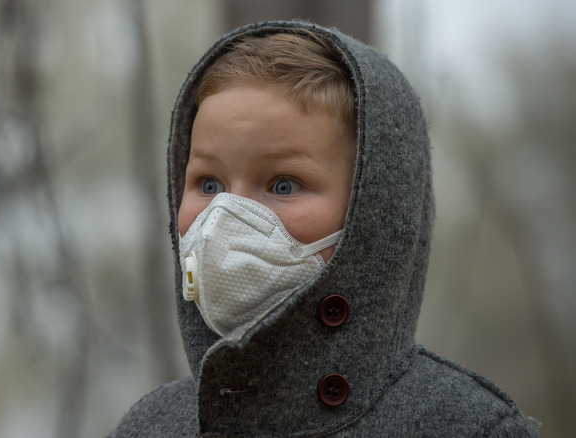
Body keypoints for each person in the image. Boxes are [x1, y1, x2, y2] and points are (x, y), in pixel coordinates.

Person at [109, 20, 539, 437]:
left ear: (372, 212)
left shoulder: (467, 427)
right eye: (208, 184)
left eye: (282, 184)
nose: (225, 215)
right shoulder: (149, 427)